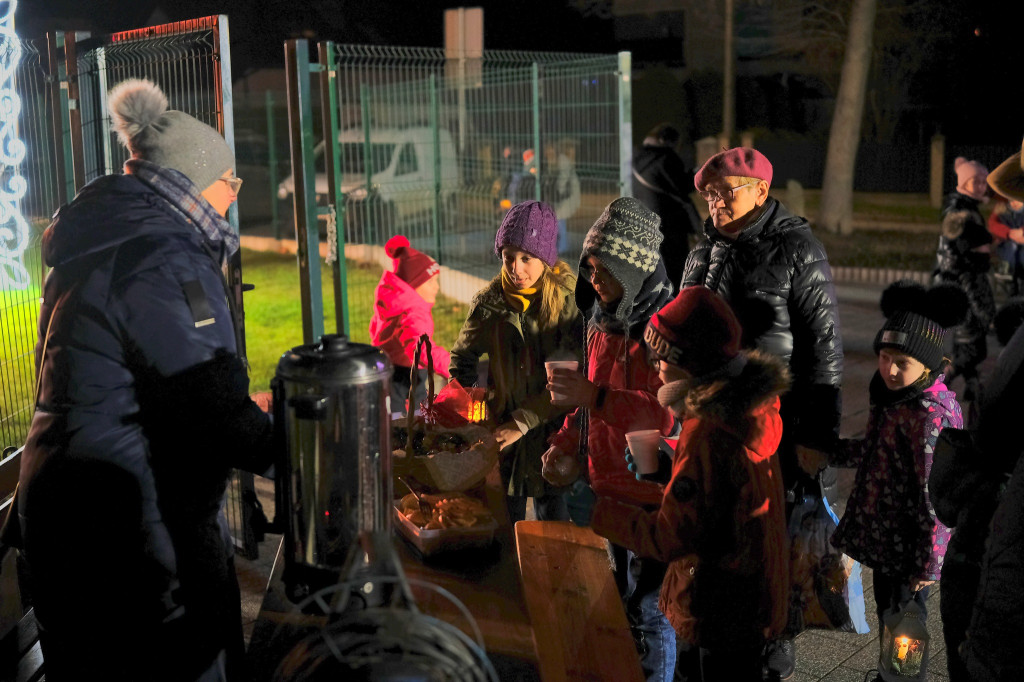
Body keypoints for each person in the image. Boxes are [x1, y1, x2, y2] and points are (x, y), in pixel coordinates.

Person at [8, 79, 274, 681]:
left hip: (69, 531)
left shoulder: (110, 236)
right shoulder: (163, 253)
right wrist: (308, 445)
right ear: (200, 182)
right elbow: (211, 408)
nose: (235, 195)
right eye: (232, 182)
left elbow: (146, 385)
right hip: (126, 548)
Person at [680, 146, 843, 678]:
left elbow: (823, 348)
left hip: (777, 423)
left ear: (761, 192)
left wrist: (817, 433)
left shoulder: (798, 249)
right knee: (719, 533)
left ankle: (772, 650)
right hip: (710, 420)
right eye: (710, 194)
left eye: (727, 192)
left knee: (773, 535)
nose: (717, 203)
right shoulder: (704, 249)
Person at [590, 287, 791, 681]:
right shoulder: (743, 410)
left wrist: (600, 512)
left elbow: (671, 537)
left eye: (662, 357)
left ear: (691, 363)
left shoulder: (708, 431)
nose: (655, 367)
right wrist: (669, 471)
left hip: (718, 604)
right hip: (745, 597)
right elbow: (719, 498)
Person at [799, 280, 968, 682]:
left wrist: (930, 561)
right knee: (891, 613)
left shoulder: (929, 417)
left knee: (908, 620)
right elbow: (877, 453)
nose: (889, 369)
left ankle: (902, 679)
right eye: (884, 356)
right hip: (890, 540)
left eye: (901, 362)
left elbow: (936, 498)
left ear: (929, 366)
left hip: (912, 548)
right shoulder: (897, 400)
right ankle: (890, 674)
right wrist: (831, 453)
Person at [540, 197, 676, 681]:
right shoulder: (600, 320)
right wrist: (564, 443)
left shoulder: (661, 331)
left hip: (650, 494)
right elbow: (585, 402)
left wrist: (595, 397)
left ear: (634, 271)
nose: (594, 278)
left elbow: (664, 413)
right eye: (590, 267)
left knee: (650, 610)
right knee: (616, 602)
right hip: (607, 487)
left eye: (605, 269)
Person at [449, 200, 584, 522]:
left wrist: (523, 422)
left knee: (554, 526)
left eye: (527, 258)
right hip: (502, 434)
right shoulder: (489, 305)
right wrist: (477, 409)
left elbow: (570, 380)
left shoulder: (569, 304)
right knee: (501, 521)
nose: (516, 268)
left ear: (547, 259)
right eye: (508, 257)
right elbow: (462, 358)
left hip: (554, 433)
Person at [933, 156, 996, 406]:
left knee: (967, 341)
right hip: (961, 283)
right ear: (964, 183)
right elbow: (962, 242)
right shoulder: (960, 211)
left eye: (984, 181)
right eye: (976, 181)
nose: (982, 186)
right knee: (972, 345)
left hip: (960, 281)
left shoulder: (966, 207)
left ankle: (972, 386)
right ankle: (942, 382)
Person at [369, 235, 449, 413]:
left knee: (405, 402)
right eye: (431, 282)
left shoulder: (395, 303)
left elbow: (375, 329)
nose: (437, 287)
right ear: (414, 286)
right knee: (406, 410)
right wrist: (450, 365)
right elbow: (419, 348)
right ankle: (408, 435)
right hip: (406, 369)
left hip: (391, 363)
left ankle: (409, 428)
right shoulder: (412, 312)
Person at [631, 123, 702, 288]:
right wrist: (697, 174)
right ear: (666, 141)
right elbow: (682, 187)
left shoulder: (635, 158)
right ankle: (674, 306)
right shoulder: (666, 158)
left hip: (643, 223)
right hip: (670, 225)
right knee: (674, 269)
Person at [544, 139, 582, 257]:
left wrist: (557, 192)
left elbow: (563, 179)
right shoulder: (551, 161)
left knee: (559, 218)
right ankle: (559, 247)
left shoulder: (562, 161)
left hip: (566, 194)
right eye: (547, 150)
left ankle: (563, 249)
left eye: (550, 149)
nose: (548, 152)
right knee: (556, 219)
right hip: (558, 195)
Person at [986, 196, 1024, 295]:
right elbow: (993, 224)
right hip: (1006, 244)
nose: (1014, 203)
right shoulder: (1002, 207)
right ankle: (1005, 276)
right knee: (1011, 248)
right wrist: (1009, 233)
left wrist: (1021, 232)